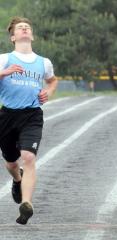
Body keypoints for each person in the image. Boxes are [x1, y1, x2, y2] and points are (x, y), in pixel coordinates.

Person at [0, 17, 58, 225]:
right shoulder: (4, 58)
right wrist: (4, 73)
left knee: (29, 157)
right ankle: (17, 179)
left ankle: (26, 203)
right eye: (20, 28)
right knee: (11, 162)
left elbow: (52, 80)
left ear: (32, 35)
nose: (24, 29)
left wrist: (48, 92)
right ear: (13, 37)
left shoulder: (44, 62)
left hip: (32, 115)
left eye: (27, 27)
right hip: (7, 115)